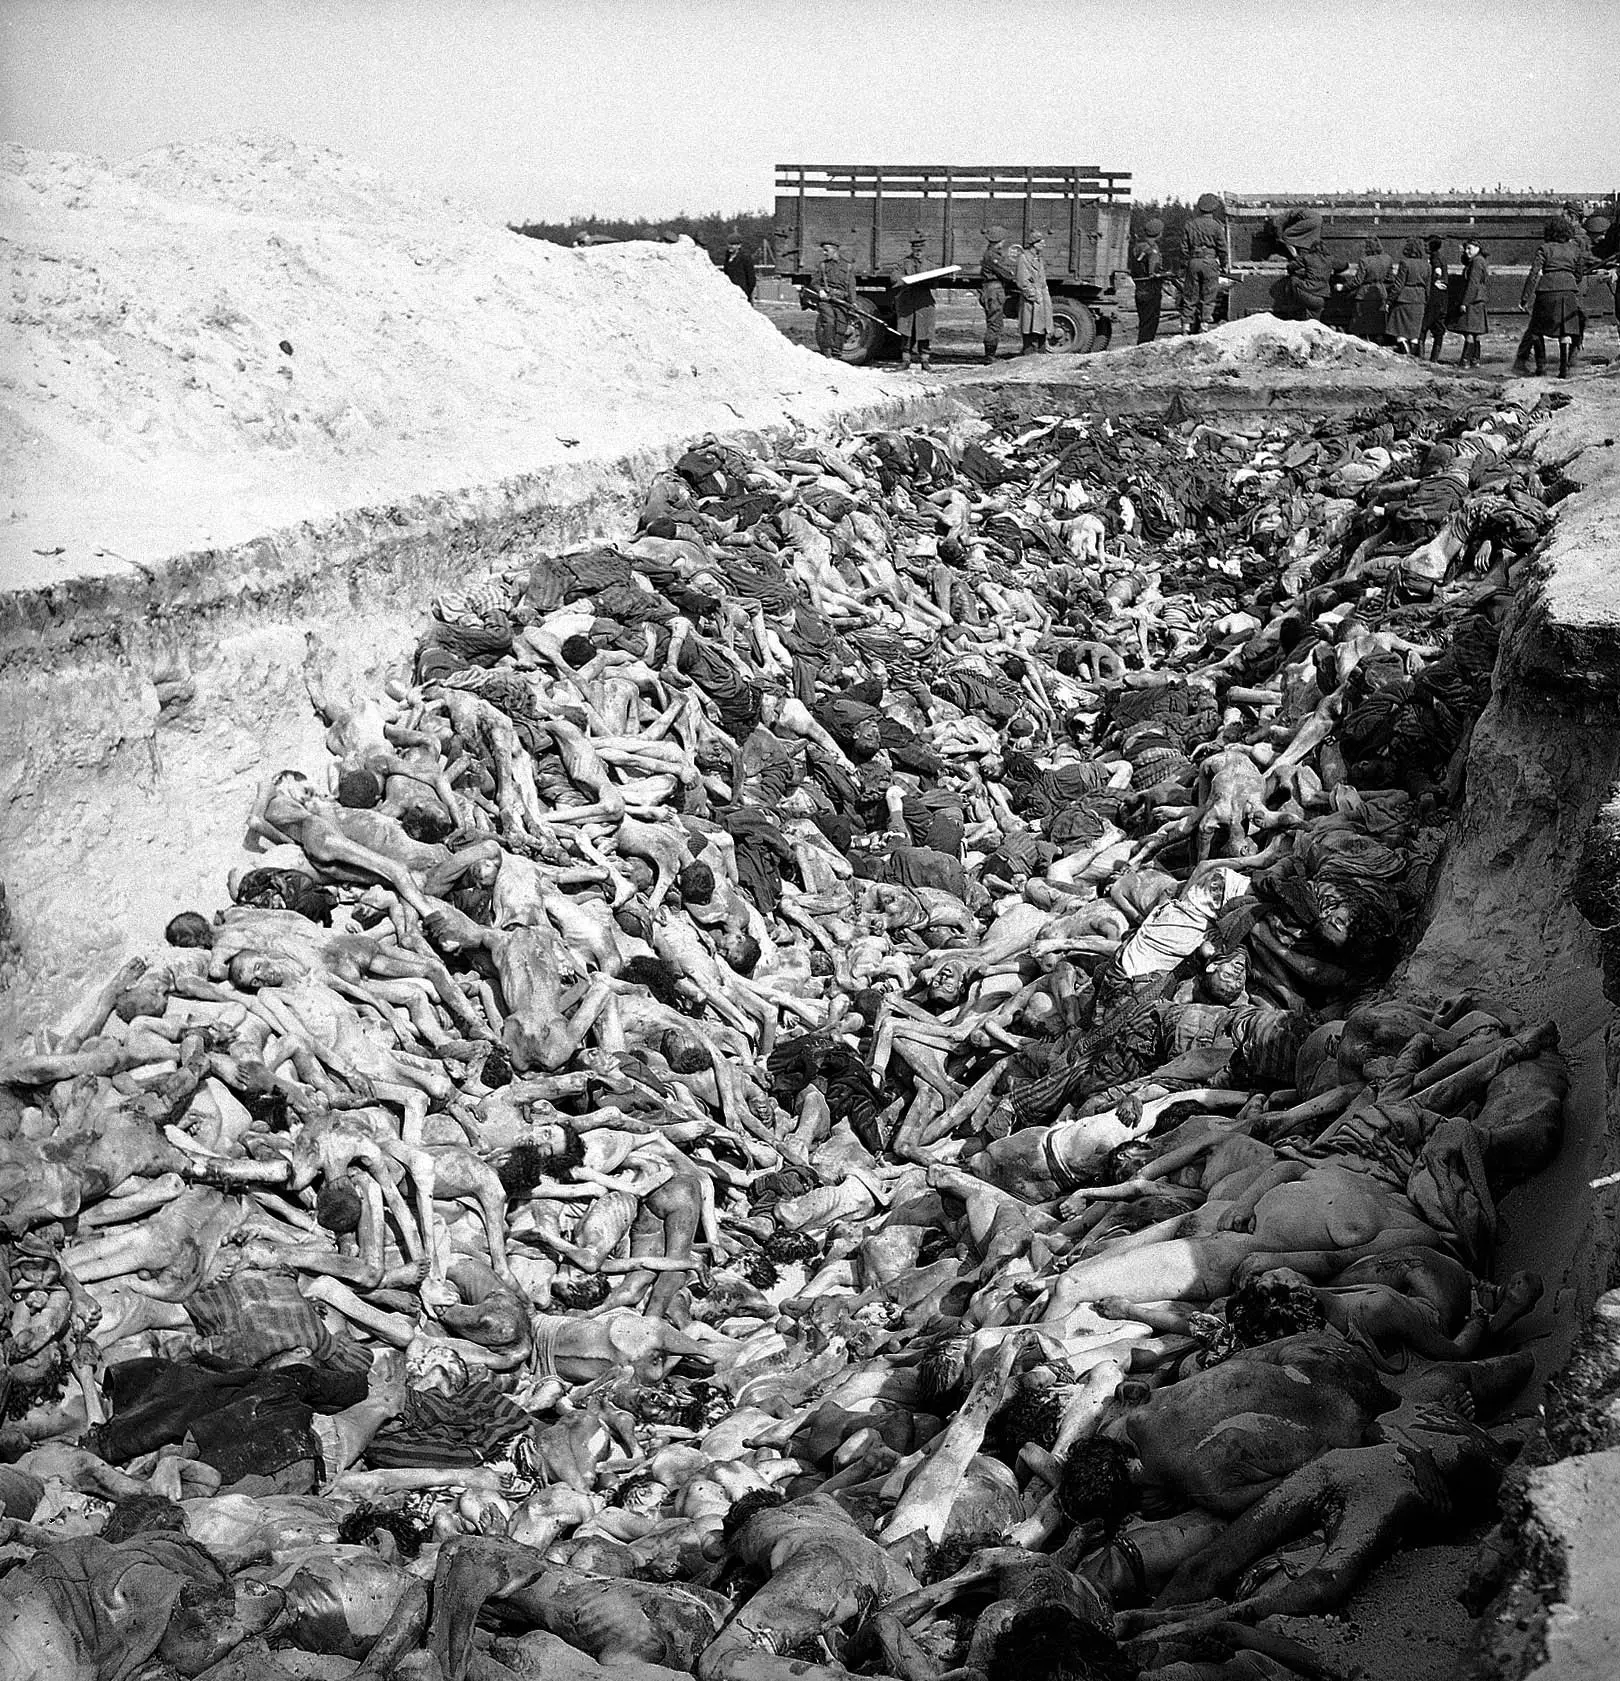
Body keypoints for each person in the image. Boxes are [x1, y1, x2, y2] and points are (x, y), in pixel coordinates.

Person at [1517, 216, 1589, 379]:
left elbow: (1533, 274)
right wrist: (1568, 279)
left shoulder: (1544, 248)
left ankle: (1541, 368)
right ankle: (1563, 370)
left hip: (1546, 291)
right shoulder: (1575, 249)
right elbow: (1579, 274)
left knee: (1537, 330)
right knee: (1566, 331)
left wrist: (1524, 298)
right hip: (1569, 292)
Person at [1181, 193, 1227, 335]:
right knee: (1209, 295)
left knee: (1190, 294)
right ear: (1214, 208)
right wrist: (1224, 264)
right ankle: (1204, 324)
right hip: (1210, 262)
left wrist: (1186, 263)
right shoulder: (1217, 226)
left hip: (1194, 261)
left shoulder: (1190, 224)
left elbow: (1183, 248)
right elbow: (1222, 248)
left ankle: (1186, 326)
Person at [890, 229, 937, 369]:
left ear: (924, 250)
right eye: (915, 249)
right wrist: (905, 280)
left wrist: (928, 279)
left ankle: (925, 360)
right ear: (912, 249)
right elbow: (894, 277)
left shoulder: (930, 265)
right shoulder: (904, 263)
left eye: (921, 249)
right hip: (907, 300)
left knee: (924, 331)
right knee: (906, 331)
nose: (918, 252)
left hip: (924, 301)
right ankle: (905, 359)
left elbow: (935, 283)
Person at [1278, 210, 1333, 322]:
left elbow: (1292, 267)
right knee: (1314, 319)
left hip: (1309, 293)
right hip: (1323, 296)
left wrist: (1295, 258)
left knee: (1286, 236)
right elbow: (1343, 265)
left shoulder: (1307, 259)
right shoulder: (1329, 259)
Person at [808, 237, 856, 360]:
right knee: (829, 322)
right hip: (826, 300)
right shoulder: (823, 266)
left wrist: (853, 302)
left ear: (834, 250)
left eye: (826, 250)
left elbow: (851, 286)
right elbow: (814, 282)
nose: (824, 253)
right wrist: (820, 291)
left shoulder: (848, 266)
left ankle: (836, 354)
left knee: (841, 326)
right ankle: (827, 353)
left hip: (842, 300)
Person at [979, 224, 1020, 363]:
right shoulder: (991, 256)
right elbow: (1006, 274)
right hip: (993, 291)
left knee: (995, 322)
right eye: (1002, 240)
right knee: (994, 323)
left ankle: (990, 354)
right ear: (997, 241)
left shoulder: (992, 254)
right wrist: (1011, 273)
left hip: (993, 290)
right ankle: (989, 356)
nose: (1003, 243)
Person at [1386, 236, 1429, 355]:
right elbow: (1428, 286)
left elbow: (1399, 285)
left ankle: (1404, 350)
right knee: (1414, 331)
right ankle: (1413, 353)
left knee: (1400, 330)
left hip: (1405, 298)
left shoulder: (1405, 263)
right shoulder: (1426, 265)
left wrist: (1389, 301)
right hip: (1420, 299)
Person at [1015, 230, 1054, 354]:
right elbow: (1022, 281)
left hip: (1042, 295)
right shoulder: (1024, 258)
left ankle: (1042, 353)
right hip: (1031, 299)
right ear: (1033, 243)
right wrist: (1033, 295)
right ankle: (1028, 354)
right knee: (1028, 327)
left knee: (1042, 327)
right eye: (1040, 241)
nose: (1044, 244)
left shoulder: (1038, 258)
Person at [1129, 216, 1166, 343]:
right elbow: (1153, 272)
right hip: (1151, 290)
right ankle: (1143, 351)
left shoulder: (1138, 247)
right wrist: (1164, 275)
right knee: (1150, 325)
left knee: (1144, 322)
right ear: (1158, 233)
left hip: (1139, 289)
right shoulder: (1153, 250)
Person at [1453, 239, 1488, 369]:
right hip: (1478, 300)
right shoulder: (1480, 261)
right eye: (1466, 249)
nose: (1467, 252)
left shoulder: (1476, 262)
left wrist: (1465, 302)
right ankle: (1475, 360)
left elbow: (1472, 283)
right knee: (1475, 333)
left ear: (1477, 248)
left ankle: (1465, 360)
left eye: (1470, 249)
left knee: (1469, 332)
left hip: (1473, 301)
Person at [1349, 237, 1392, 340]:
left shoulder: (1364, 261)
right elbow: (1390, 278)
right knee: (1377, 326)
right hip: (1380, 293)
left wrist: (1344, 287)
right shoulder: (1388, 259)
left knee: (1361, 326)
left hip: (1364, 294)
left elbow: (1357, 281)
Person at [1421, 236, 1450, 363]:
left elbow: (1437, 272)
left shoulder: (1435, 257)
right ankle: (1434, 358)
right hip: (1442, 297)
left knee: (1424, 326)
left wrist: (1432, 282)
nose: (1424, 247)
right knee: (1438, 328)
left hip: (1435, 296)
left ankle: (1421, 356)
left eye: (1426, 245)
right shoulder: (1440, 256)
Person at [721, 235, 756, 302]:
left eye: (733, 244)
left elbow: (751, 278)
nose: (730, 246)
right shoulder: (727, 258)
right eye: (729, 244)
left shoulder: (745, 258)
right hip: (730, 293)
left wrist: (747, 293)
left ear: (739, 245)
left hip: (742, 293)